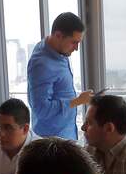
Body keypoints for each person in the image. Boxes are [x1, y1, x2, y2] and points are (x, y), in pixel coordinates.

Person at [27, 12, 93, 140]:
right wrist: (77, 101)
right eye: (74, 42)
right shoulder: (42, 64)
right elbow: (41, 109)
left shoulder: (57, 50)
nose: (76, 48)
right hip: (52, 142)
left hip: (65, 134)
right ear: (58, 35)